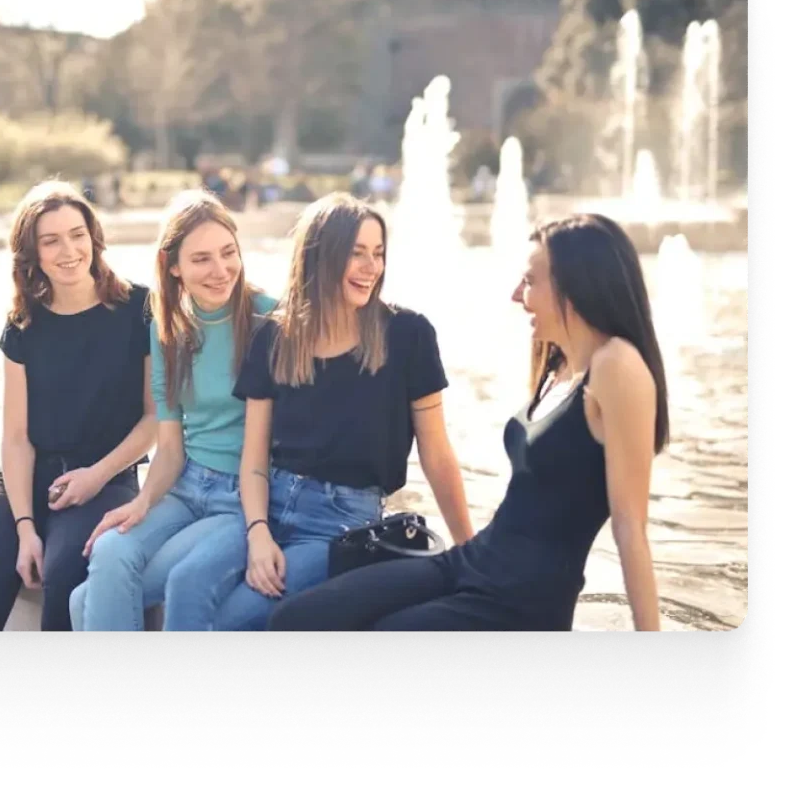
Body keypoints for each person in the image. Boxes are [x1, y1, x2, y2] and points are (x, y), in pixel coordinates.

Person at [268, 213, 669, 633]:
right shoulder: (560, 362)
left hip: (521, 599)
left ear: (578, 283)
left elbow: (630, 524)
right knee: (296, 619)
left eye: (531, 281)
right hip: (474, 560)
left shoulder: (618, 366)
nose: (517, 295)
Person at [159, 192, 475, 631]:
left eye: (378, 254)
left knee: (236, 619)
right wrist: (258, 533)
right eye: (356, 253)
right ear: (322, 258)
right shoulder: (275, 338)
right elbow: (253, 461)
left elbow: (437, 455)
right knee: (187, 584)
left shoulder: (408, 335)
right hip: (264, 507)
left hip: (338, 524)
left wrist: (471, 554)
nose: (371, 267)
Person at [0, 181, 156, 632]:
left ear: (94, 239)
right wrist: (25, 527)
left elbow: (155, 417)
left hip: (106, 481)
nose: (69, 250)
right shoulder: (23, 323)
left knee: (63, 577)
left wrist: (96, 474)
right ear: (33, 253)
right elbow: (16, 438)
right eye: (51, 240)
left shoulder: (139, 308)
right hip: (24, 480)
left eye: (77, 234)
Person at [68, 189, 276, 631]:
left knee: (88, 600)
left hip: (240, 501)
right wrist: (142, 502)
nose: (221, 271)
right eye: (201, 259)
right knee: (105, 558)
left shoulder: (268, 320)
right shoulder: (169, 329)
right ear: (174, 266)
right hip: (184, 488)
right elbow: (171, 446)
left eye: (228, 253)